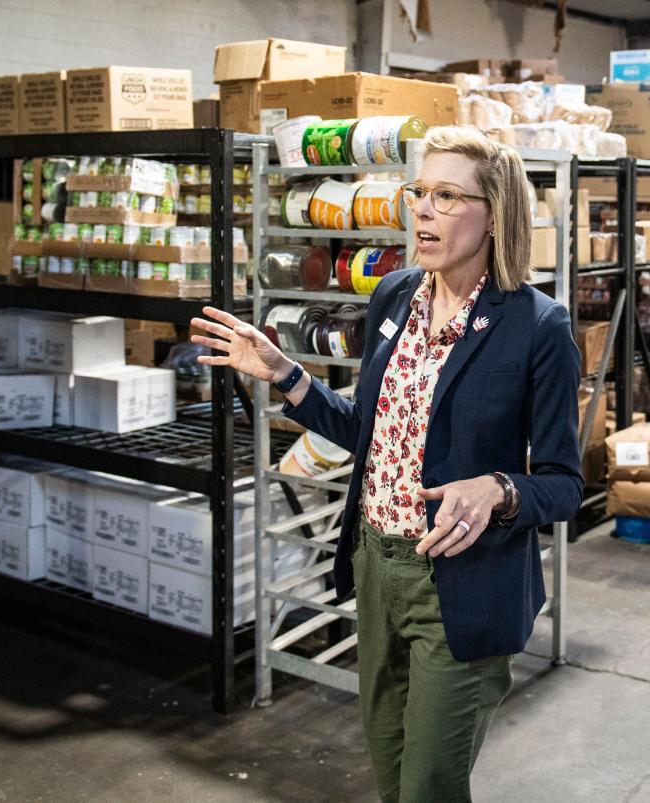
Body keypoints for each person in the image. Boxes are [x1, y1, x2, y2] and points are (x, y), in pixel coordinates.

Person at [191, 126, 583, 803]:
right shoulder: (395, 296)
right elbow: (368, 432)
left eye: (446, 195)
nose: (421, 210)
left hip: (462, 584)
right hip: (377, 567)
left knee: (428, 783)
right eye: (418, 192)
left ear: (494, 213)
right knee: (390, 772)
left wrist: (497, 488)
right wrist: (286, 372)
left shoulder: (537, 326)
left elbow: (564, 485)